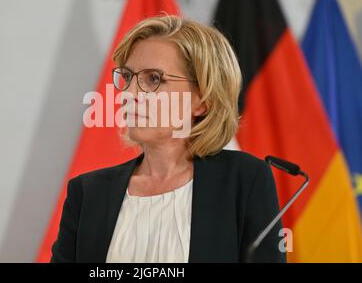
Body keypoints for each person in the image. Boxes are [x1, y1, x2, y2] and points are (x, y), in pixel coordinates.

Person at [50, 15, 285, 263]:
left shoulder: (245, 180)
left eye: (153, 79)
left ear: (201, 100)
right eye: (128, 77)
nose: (129, 93)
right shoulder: (88, 193)